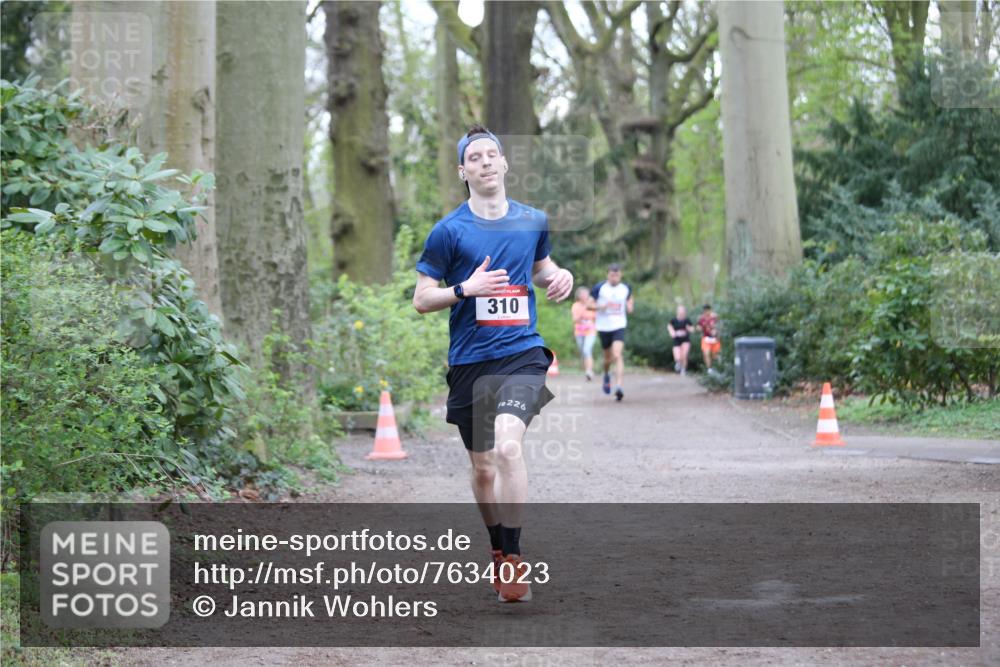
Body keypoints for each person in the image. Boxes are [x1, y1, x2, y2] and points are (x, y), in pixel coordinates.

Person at [412, 124, 573, 603]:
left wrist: (559, 275)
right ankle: (497, 548)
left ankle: (517, 557)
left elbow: (541, 269)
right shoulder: (448, 232)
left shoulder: (532, 220)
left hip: (522, 353)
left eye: (491, 155)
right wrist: (465, 290)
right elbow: (422, 299)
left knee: (507, 448)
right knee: (482, 469)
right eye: (474, 157)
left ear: (504, 164)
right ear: (463, 171)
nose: (485, 162)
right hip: (469, 362)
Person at [591, 263, 633, 401]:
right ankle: (606, 374)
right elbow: (588, 304)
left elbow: (630, 299)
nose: (614, 277)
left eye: (617, 275)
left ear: (620, 275)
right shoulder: (600, 288)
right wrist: (599, 306)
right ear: (607, 275)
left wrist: (630, 306)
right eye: (612, 275)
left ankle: (619, 386)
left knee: (617, 354)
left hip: (619, 325)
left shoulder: (625, 288)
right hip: (603, 327)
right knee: (607, 359)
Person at [571, 287, 597, 380]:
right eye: (582, 294)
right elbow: (575, 320)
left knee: (587, 350)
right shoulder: (575, 306)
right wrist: (584, 308)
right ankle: (587, 369)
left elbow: (596, 317)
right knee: (583, 352)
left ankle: (589, 371)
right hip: (579, 332)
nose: (585, 296)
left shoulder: (593, 305)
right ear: (579, 296)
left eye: (586, 294)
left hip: (590, 331)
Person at [668, 305, 694, 375]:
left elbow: (692, 329)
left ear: (685, 312)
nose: (681, 313)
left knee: (684, 355)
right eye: (680, 311)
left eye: (682, 311)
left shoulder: (687, 320)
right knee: (677, 356)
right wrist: (672, 332)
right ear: (677, 312)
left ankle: (683, 369)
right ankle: (678, 363)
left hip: (685, 340)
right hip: (676, 340)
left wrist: (689, 329)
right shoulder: (673, 320)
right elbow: (669, 326)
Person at [697, 303, 721, 372]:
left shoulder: (715, 317)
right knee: (706, 353)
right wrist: (700, 328)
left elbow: (720, 325)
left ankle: (716, 368)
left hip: (715, 339)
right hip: (706, 338)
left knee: (715, 356)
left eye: (707, 310)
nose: (706, 311)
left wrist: (716, 330)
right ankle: (709, 369)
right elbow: (698, 327)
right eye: (705, 310)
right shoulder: (701, 318)